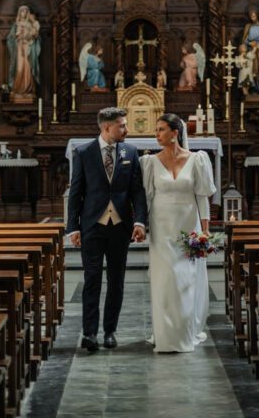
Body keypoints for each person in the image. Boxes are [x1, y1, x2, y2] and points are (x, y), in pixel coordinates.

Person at [66, 107, 147, 353]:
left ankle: (110, 331)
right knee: (91, 280)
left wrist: (139, 221)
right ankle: (89, 333)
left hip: (120, 226)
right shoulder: (83, 152)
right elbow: (76, 192)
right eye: (122, 125)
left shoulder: (130, 152)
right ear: (107, 128)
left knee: (116, 281)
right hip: (92, 225)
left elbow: (137, 191)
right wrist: (73, 227)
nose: (126, 129)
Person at [140, 113, 216, 353]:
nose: (156, 134)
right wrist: (141, 224)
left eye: (161, 129)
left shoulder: (198, 160)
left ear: (175, 133)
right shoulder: (150, 162)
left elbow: (202, 195)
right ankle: (165, 335)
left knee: (186, 279)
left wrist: (205, 227)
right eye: (156, 130)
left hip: (188, 224)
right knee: (165, 280)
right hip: (161, 227)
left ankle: (184, 330)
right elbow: (147, 198)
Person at [7, 5, 41, 100]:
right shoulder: (16, 25)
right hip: (19, 49)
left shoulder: (30, 24)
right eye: (22, 11)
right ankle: (17, 89)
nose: (24, 13)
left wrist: (31, 36)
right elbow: (10, 38)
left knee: (28, 68)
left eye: (26, 11)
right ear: (19, 13)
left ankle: (28, 89)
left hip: (28, 49)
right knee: (19, 68)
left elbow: (35, 36)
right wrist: (16, 36)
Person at [241, 8, 259, 94]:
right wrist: (249, 43)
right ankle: (254, 89)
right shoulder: (248, 26)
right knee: (254, 69)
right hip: (251, 50)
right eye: (251, 16)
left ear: (257, 15)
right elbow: (244, 41)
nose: (252, 17)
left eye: (254, 15)